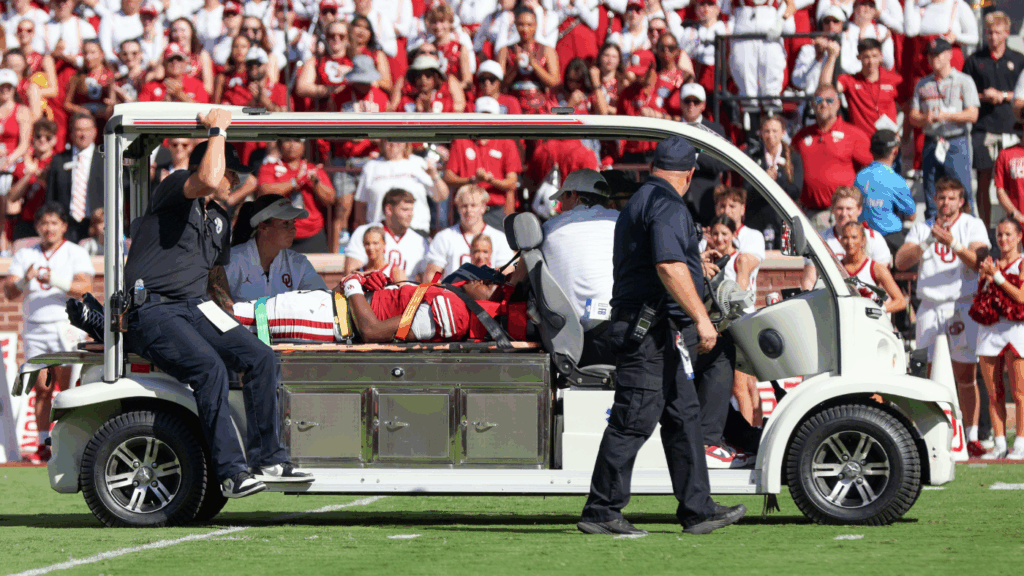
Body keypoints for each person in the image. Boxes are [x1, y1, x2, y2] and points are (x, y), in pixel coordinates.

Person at [123, 109, 311, 498]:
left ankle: (269, 458)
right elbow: (207, 177)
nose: (235, 180)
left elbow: (215, 279)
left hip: (196, 308)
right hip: (155, 308)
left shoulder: (221, 219)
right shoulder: (175, 189)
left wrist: (232, 323)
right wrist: (217, 130)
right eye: (231, 172)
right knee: (209, 369)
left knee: (260, 356)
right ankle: (230, 471)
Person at [578, 135, 745, 537]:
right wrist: (703, 319)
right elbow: (669, 266)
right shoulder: (668, 205)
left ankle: (698, 509)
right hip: (648, 330)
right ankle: (602, 509)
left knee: (683, 416)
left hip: (655, 329)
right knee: (635, 416)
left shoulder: (641, 199)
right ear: (689, 174)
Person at [895, 176, 990, 458]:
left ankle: (970, 434)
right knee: (926, 372)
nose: (946, 203)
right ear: (935, 200)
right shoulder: (923, 227)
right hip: (930, 305)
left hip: (962, 304)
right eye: (941, 197)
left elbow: (980, 263)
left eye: (951, 198)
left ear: (961, 201)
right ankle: (928, 435)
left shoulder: (972, 225)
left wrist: (954, 244)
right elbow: (900, 262)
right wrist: (927, 242)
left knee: (965, 373)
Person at [3, 202, 94, 463]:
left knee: (68, 388)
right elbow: (9, 292)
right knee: (42, 386)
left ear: (64, 226)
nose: (48, 228)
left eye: (54, 222)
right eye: (44, 223)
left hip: (67, 326)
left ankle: (67, 440)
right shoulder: (25, 253)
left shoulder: (75, 252)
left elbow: (85, 288)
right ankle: (44, 441)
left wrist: (53, 279)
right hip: (35, 327)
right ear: (37, 226)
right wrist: (25, 279)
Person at [231, 270, 502, 344]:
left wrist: (353, 285)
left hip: (332, 320)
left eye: (489, 283)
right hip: (328, 309)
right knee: (240, 313)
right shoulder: (453, 301)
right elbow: (392, 305)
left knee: (237, 317)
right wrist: (377, 283)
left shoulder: (454, 314)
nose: (482, 278)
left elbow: (372, 330)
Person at [539, 168, 618, 365]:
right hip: (623, 326)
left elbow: (520, 277)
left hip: (580, 339)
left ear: (574, 195)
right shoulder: (620, 219)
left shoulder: (550, 227)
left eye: (562, 199)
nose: (560, 206)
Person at [963, 12, 1024, 227]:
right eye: (989, 32)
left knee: (1013, 179)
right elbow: (965, 93)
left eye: (997, 32)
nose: (993, 37)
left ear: (1007, 33)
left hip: (1012, 127)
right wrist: (983, 96)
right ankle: (985, 227)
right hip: (984, 126)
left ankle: (1013, 226)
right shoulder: (974, 60)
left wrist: (1005, 96)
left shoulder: (1018, 59)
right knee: (984, 178)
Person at [702, 214, 761, 433]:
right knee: (744, 385)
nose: (719, 238)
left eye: (724, 234)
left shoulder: (740, 259)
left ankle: (749, 434)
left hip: (738, 323)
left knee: (741, 386)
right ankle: (755, 432)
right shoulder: (708, 260)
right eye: (715, 233)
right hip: (721, 325)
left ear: (733, 235)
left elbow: (740, 289)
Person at [908, 38, 979, 221]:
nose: (934, 59)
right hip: (932, 141)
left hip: (956, 140)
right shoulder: (923, 84)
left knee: (962, 190)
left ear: (949, 55)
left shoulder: (964, 81)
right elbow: (912, 117)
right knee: (932, 191)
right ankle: (935, 235)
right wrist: (926, 118)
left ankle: (968, 237)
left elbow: (972, 114)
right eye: (930, 56)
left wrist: (947, 116)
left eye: (938, 55)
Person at [972, 217, 1024, 460]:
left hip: (1015, 330)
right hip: (990, 330)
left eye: (1008, 235)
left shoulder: (1022, 263)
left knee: (1020, 391)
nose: (1003, 239)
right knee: (994, 392)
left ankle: (1021, 442)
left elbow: (1021, 297)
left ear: (1019, 237)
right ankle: (1000, 443)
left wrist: (998, 277)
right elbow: (982, 297)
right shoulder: (990, 263)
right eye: (1000, 235)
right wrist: (986, 278)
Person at [793, 84, 873, 231]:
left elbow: (873, 169)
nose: (823, 104)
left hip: (841, 215)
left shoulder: (854, 135)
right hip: (808, 213)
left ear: (838, 104)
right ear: (812, 105)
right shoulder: (801, 137)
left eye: (829, 100)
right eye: (818, 100)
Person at [226, 194, 328, 302]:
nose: (293, 229)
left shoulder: (299, 263)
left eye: (293, 222)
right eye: (285, 223)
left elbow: (322, 299)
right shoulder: (232, 260)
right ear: (263, 226)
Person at [444, 98, 521, 228]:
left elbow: (512, 183)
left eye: (490, 117)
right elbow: (448, 177)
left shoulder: (507, 142)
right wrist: (472, 180)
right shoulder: (461, 141)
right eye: (482, 116)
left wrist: (490, 180)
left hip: (495, 210)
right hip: (466, 210)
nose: (486, 121)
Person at [800, 186, 892, 290]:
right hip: (831, 299)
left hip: (867, 298)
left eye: (849, 209)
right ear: (832, 209)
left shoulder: (874, 239)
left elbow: (885, 285)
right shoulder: (820, 240)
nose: (844, 214)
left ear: (859, 210)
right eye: (840, 208)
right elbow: (809, 279)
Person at [256, 138, 336, 253]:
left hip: (312, 235)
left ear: (304, 145)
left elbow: (330, 199)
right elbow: (264, 192)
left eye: (297, 141)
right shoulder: (269, 168)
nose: (292, 145)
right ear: (280, 144)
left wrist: (316, 182)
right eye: (287, 140)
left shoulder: (313, 169)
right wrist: (295, 182)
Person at [354, 140, 446, 235]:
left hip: (415, 231)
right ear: (382, 142)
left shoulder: (419, 163)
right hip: (379, 234)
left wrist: (435, 176)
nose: (393, 143)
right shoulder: (370, 167)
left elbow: (441, 196)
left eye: (398, 139)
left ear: (406, 143)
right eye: (388, 139)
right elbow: (361, 206)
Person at [423, 184, 515, 279]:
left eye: (473, 205)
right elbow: (431, 276)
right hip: (451, 292)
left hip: (488, 292)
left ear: (483, 207)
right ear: (458, 208)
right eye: (464, 206)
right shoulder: (444, 237)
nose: (468, 210)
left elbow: (506, 276)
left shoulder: (499, 238)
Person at [820, 38, 903, 141]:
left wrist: (902, 133)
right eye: (866, 57)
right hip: (860, 143)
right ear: (859, 57)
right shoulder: (850, 81)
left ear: (881, 57)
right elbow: (825, 88)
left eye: (874, 56)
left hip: (888, 143)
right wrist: (831, 57)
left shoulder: (894, 80)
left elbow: (909, 106)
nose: (871, 61)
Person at [743, 115, 803, 247]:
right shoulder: (752, 155)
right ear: (761, 133)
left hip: (786, 222)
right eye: (766, 131)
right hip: (757, 221)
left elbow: (796, 190)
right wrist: (763, 181)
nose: (770, 135)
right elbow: (746, 190)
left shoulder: (794, 157)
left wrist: (777, 180)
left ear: (783, 132)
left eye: (775, 131)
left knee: (788, 262)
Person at [345, 188, 429, 279]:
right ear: (389, 209)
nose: (410, 214)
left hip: (407, 291)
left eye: (411, 210)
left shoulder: (419, 241)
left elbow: (425, 277)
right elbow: (351, 273)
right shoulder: (365, 232)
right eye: (405, 210)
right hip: (372, 290)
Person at [855, 129, 916, 254]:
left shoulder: (859, 177)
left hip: (864, 238)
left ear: (871, 150)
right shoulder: (896, 180)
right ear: (895, 151)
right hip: (889, 239)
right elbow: (911, 216)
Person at [46, 113, 102, 243]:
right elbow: (51, 197)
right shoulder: (59, 160)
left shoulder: (106, 159)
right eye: (79, 130)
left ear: (94, 132)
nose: (83, 135)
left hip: (97, 227)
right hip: (67, 227)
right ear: (71, 133)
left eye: (87, 130)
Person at [678, 83, 727, 225]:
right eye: (687, 101)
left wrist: (694, 155)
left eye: (696, 101)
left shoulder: (716, 130)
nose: (691, 105)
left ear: (703, 105)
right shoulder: (671, 127)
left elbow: (720, 163)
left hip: (706, 200)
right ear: (681, 103)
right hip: (679, 199)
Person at [497, 7, 559, 115]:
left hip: (541, 104)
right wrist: (515, 68)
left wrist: (534, 65)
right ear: (515, 25)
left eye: (529, 25)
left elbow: (554, 81)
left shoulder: (547, 50)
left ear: (536, 25)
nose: (525, 29)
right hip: (514, 103)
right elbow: (499, 85)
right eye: (521, 24)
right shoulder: (505, 50)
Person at [6, 118, 57, 242]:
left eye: (48, 137)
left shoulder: (57, 162)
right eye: (38, 136)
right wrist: (28, 175)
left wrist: (40, 175)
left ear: (54, 140)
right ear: (33, 138)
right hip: (27, 221)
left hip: (51, 222)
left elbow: (56, 190)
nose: (42, 140)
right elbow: (12, 197)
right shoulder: (24, 163)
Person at [839, 221, 906, 313]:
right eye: (846, 237)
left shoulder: (875, 268)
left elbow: (900, 301)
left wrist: (877, 310)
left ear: (863, 240)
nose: (850, 242)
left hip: (869, 324)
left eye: (854, 237)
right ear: (841, 240)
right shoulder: (836, 267)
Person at [63, 40, 115, 133]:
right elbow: (67, 103)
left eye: (92, 53)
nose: (88, 57)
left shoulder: (111, 76)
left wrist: (107, 109)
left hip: (105, 124)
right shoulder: (78, 76)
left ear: (101, 54)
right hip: (84, 124)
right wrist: (81, 110)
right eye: (85, 53)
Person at [137, 43, 212, 103]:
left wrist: (180, 95)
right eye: (171, 59)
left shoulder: (197, 85)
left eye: (179, 59)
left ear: (185, 63)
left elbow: (203, 111)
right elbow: (140, 111)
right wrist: (164, 103)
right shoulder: (150, 86)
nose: (175, 62)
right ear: (164, 63)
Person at [713, 187, 765, 263]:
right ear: (716, 209)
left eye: (732, 206)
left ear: (742, 209)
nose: (727, 211)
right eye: (723, 206)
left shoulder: (753, 236)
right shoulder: (709, 237)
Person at [0, 68, 31, 174]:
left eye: (8, 86)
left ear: (14, 88)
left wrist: (9, 160)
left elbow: (24, 144)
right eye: (2, 86)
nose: (5, 89)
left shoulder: (22, 111)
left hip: (13, 164)